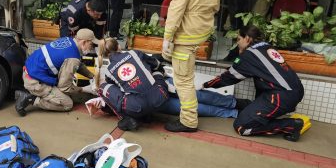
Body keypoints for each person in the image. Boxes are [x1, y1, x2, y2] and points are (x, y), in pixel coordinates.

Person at [95, 38, 250, 130]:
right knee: (194, 95)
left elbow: (117, 91)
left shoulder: (108, 71)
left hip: (147, 103)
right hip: (160, 90)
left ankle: (232, 113)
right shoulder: (134, 53)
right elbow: (155, 64)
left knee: (187, 107)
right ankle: (234, 103)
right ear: (119, 46)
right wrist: (156, 75)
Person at [202, 25, 307, 142]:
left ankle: (291, 125)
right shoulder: (266, 47)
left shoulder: (249, 55)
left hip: (280, 97)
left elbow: (228, 77)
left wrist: (204, 85)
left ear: (247, 38)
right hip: (293, 91)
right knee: (251, 111)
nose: (238, 43)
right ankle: (252, 109)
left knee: (242, 127)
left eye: (238, 39)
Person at [162, 0, 221, 132]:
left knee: (183, 80)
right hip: (201, 33)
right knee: (187, 75)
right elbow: (215, 7)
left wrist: (168, 37)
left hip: (185, 36)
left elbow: (176, 8)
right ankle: (188, 117)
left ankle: (188, 121)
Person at [15, 28, 98, 116]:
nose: (92, 48)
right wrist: (85, 89)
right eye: (91, 44)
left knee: (70, 93)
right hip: (34, 82)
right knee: (67, 103)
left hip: (31, 72)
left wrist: (92, 76)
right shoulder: (73, 58)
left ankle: (38, 94)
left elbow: (78, 65)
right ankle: (30, 98)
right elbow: (64, 87)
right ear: (84, 42)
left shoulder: (69, 41)